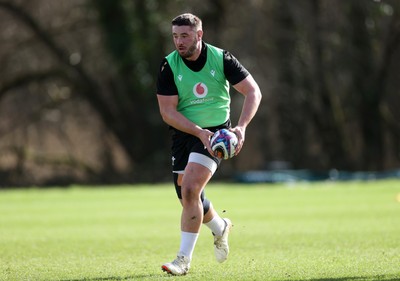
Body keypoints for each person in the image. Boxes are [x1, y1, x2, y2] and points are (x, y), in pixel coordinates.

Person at [156, 13, 262, 276]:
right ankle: (220, 227)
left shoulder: (221, 58)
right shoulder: (169, 65)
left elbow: (253, 91)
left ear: (199, 35)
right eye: (175, 36)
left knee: (191, 188)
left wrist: (241, 128)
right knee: (188, 198)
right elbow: (167, 112)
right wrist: (196, 132)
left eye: (185, 36)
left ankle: (182, 260)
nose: (179, 42)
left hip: (216, 135)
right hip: (185, 134)